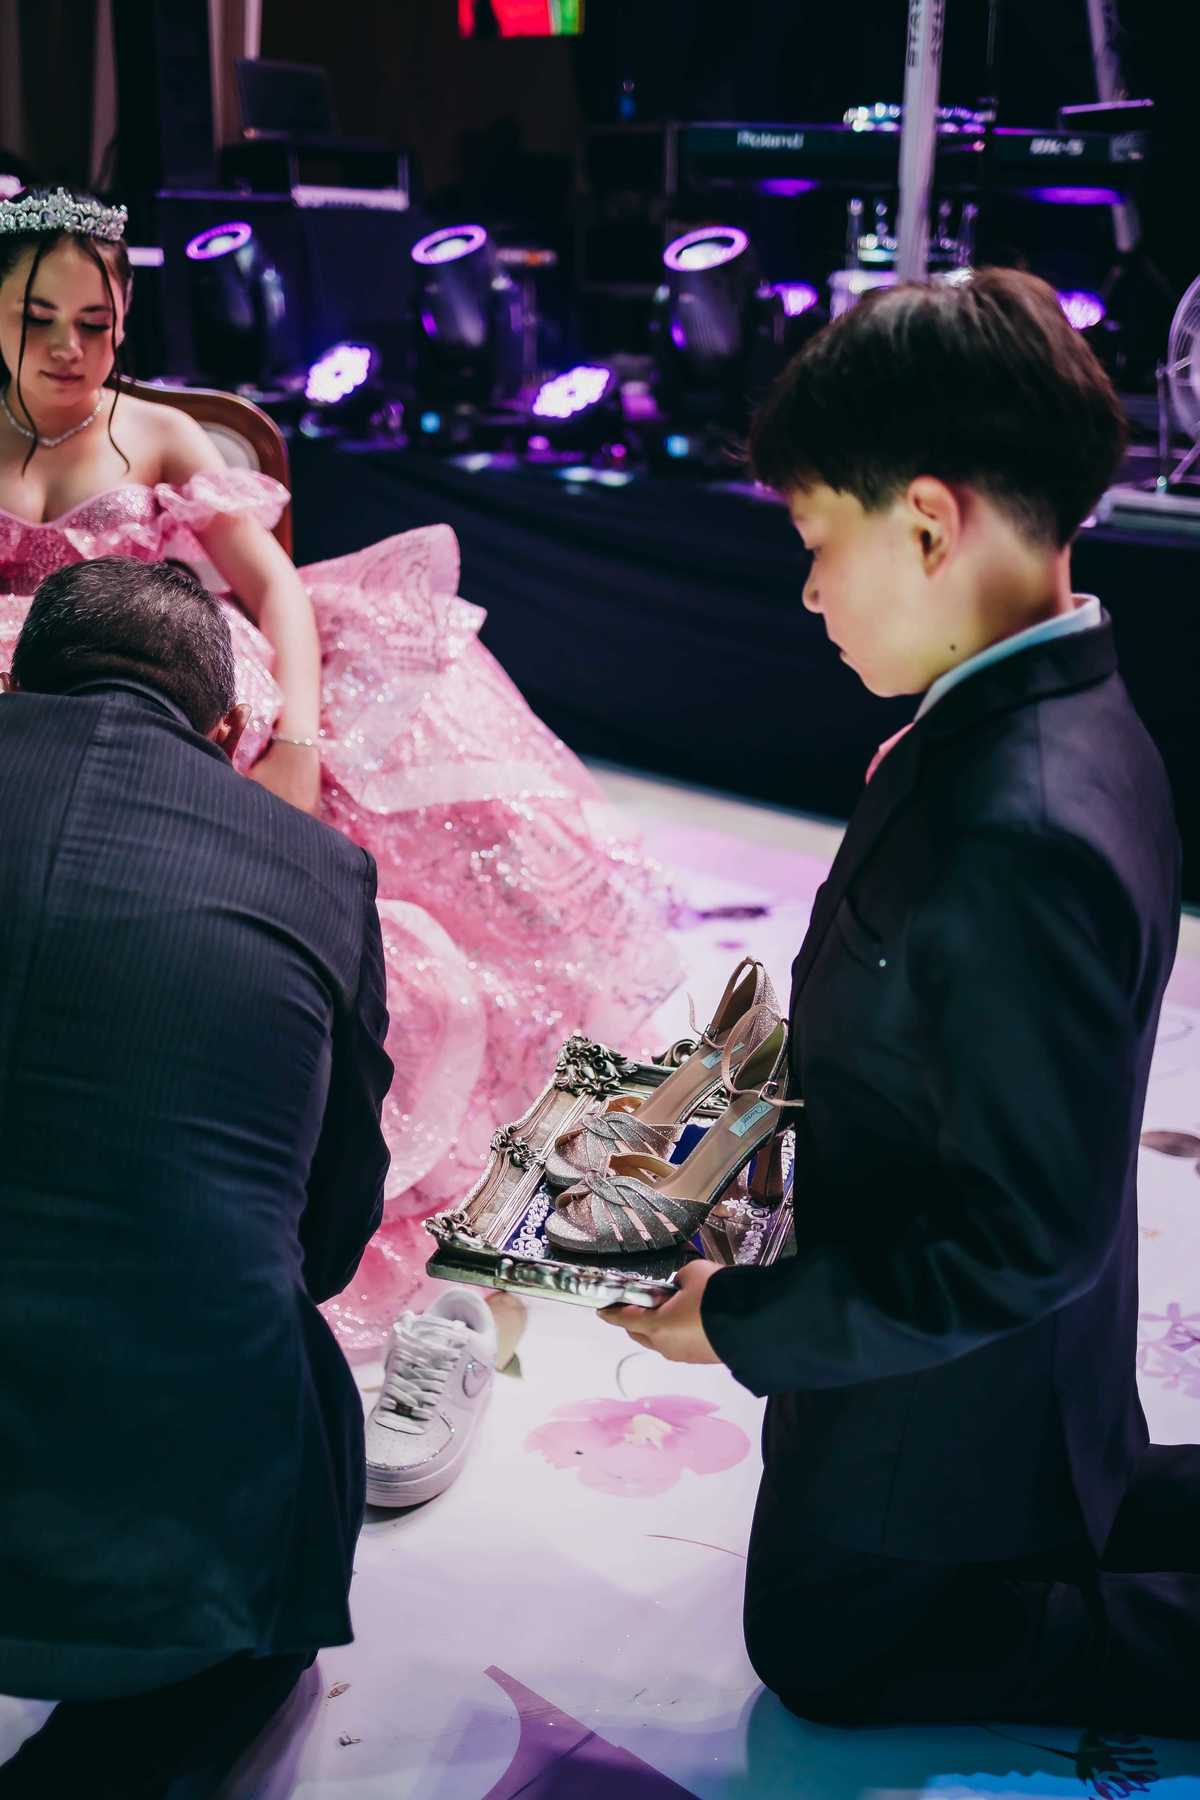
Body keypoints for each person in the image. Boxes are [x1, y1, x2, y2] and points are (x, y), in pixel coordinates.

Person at [601, 268, 1200, 1736]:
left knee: (821, 1650)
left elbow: (1021, 1242)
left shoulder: (1025, 821)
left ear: (929, 524)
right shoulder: (1038, 700)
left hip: (961, 1395)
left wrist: (744, 1323)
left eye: (820, 544)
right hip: (953, 1318)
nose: (808, 591)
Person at [0, 186, 680, 1353]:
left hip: (160, 676)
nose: (69, 349)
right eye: (36, 318)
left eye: (95, 324)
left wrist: (301, 742)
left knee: (412, 802)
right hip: (34, 699)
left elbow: (274, 590)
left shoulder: (154, 432)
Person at [0, 555, 392, 1796]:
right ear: (228, 733)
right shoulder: (318, 868)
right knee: (293, 1359)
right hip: (156, 1540)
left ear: (15, 684)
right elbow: (329, 1236)